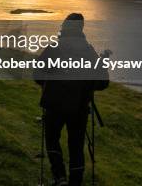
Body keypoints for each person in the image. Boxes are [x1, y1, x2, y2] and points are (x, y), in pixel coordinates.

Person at [34, 13, 109, 186]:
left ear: (64, 26)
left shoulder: (54, 47)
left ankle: (59, 177)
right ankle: (75, 182)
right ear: (81, 29)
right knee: (76, 146)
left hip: (53, 105)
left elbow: (37, 75)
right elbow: (103, 82)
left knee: (52, 140)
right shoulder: (88, 50)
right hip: (79, 107)